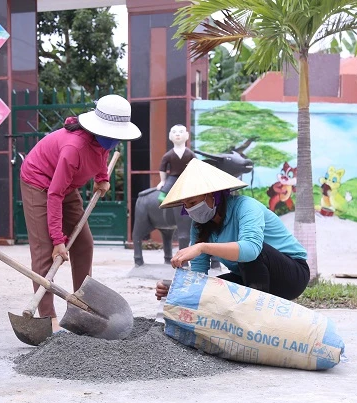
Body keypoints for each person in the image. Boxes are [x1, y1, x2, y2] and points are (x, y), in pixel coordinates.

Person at [20, 95, 141, 331]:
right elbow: (54, 194)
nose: (115, 140)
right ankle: (48, 317)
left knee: (84, 243)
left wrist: (102, 178)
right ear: (98, 127)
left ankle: (82, 305)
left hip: (65, 186)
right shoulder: (73, 148)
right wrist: (57, 241)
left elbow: (101, 154)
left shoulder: (103, 140)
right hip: (38, 181)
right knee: (45, 251)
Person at [155, 158, 310, 301]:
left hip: (291, 276)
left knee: (251, 250)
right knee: (208, 289)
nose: (190, 209)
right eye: (186, 205)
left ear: (212, 195)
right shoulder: (198, 225)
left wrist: (202, 247)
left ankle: (255, 311)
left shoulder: (247, 206)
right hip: (249, 277)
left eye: (193, 202)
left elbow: (251, 251)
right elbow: (199, 276)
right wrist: (177, 289)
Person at [156, 124, 196, 202]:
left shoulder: (190, 153)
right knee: (161, 196)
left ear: (187, 135)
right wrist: (162, 181)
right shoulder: (168, 155)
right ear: (170, 136)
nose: (177, 134)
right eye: (174, 132)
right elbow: (162, 168)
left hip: (187, 177)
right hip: (173, 177)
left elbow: (197, 165)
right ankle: (172, 202)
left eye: (181, 132)